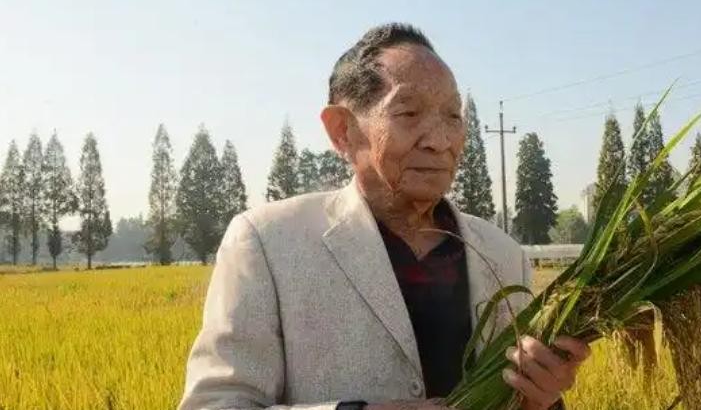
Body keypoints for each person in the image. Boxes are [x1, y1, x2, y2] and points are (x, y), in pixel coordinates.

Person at [178, 23, 591, 410]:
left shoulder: (504, 256)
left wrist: (542, 397)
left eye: (453, 116)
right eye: (408, 114)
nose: (440, 141)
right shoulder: (268, 243)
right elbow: (218, 402)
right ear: (342, 130)